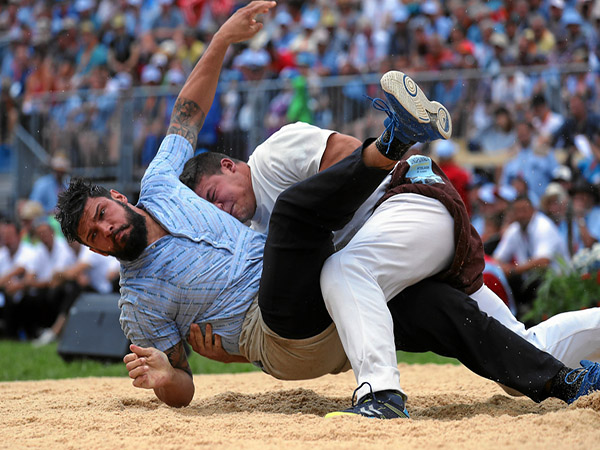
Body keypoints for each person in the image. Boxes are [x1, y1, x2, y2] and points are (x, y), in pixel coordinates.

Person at [54, 3, 600, 418]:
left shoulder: (164, 182)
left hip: (336, 287)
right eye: (93, 235)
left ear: (118, 198)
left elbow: (187, 112)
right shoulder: (137, 303)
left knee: (441, 312)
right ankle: (393, 140)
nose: (104, 229)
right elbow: (184, 385)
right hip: (275, 331)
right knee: (296, 217)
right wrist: (161, 379)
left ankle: (565, 383)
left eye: (101, 213)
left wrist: (221, 37)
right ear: (92, 249)